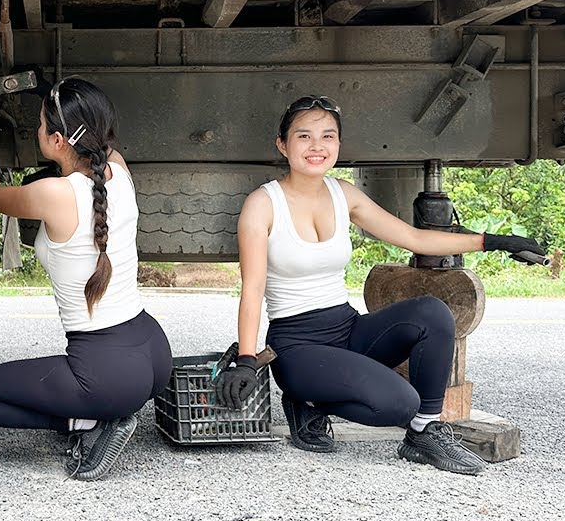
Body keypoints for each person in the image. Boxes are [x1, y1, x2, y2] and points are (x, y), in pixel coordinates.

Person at [213, 95, 545, 475]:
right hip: (298, 346)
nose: (317, 146)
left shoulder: (344, 194)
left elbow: (415, 238)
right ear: (282, 144)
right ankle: (306, 402)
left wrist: (493, 241)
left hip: (347, 328)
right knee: (400, 403)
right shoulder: (263, 204)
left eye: (328, 136)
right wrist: (246, 360)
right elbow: (252, 288)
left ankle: (424, 432)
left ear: (338, 144)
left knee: (433, 313)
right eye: (304, 136)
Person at [0, 77, 173, 481]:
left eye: (40, 126)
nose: (37, 132)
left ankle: (87, 422)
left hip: (107, 375)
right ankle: (101, 413)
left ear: (58, 140)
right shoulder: (117, 168)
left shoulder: (53, 193)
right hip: (153, 352)